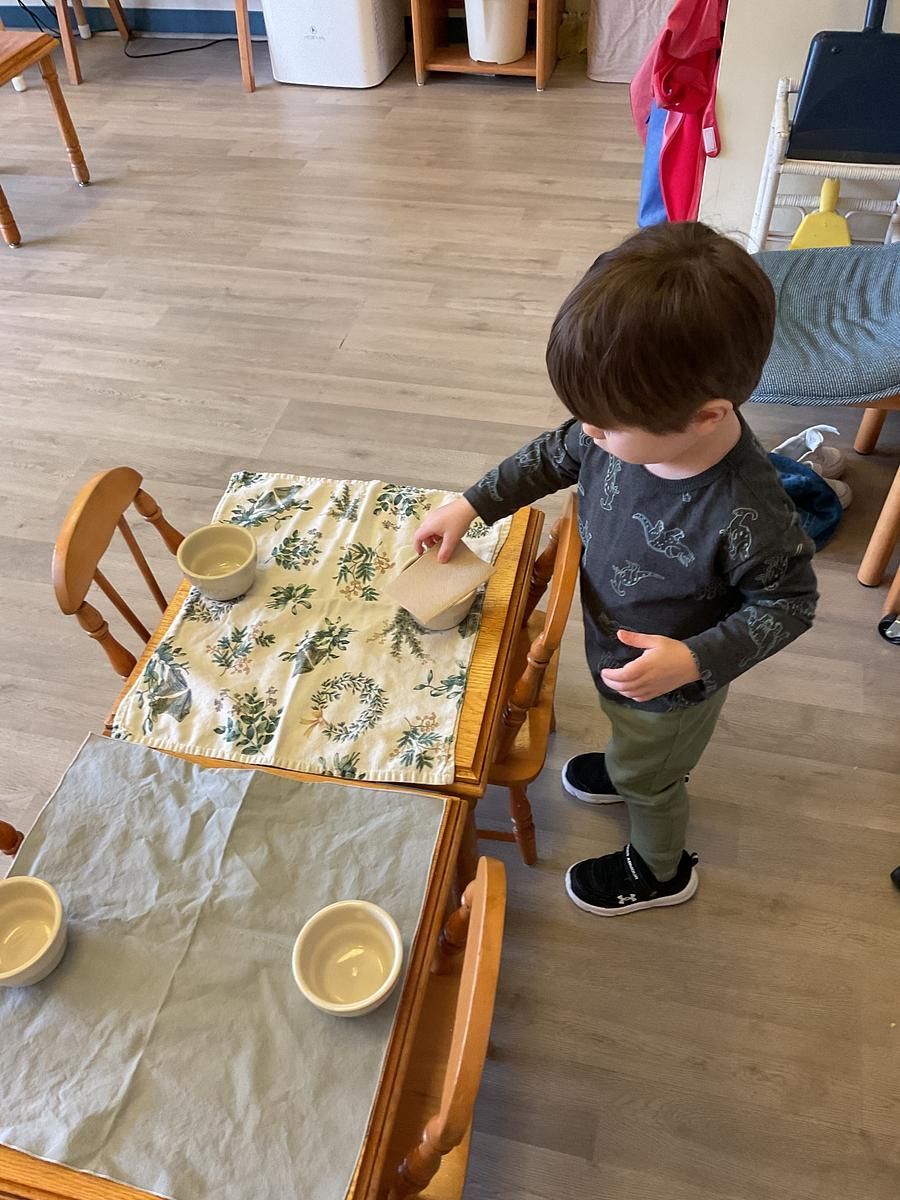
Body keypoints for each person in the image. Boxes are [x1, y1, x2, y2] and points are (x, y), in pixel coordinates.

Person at [414, 222, 818, 917]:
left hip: (672, 687)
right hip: (618, 648)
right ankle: (630, 764)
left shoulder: (746, 510)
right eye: (586, 420)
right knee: (628, 736)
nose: (588, 435)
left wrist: (693, 661)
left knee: (654, 778)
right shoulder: (620, 423)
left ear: (707, 416)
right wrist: (473, 503)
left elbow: (791, 604)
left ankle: (661, 868)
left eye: (602, 428)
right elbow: (552, 455)